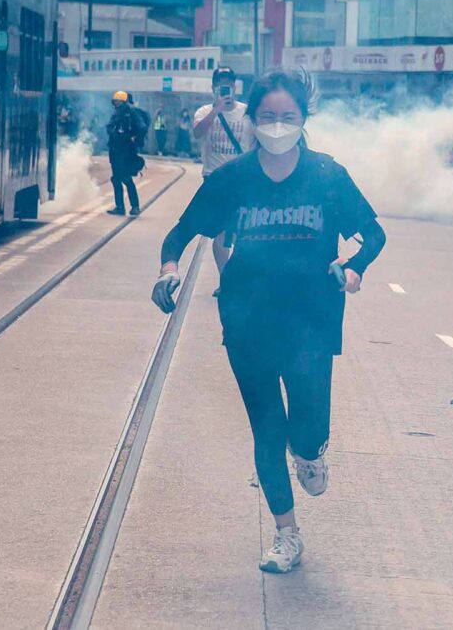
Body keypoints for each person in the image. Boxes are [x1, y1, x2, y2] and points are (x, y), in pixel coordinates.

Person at [151, 70, 386, 574]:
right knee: (265, 429)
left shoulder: (327, 176)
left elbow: (373, 234)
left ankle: (310, 452)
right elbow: (180, 234)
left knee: (305, 430)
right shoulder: (234, 178)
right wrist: (168, 273)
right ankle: (286, 534)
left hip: (312, 322)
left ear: (303, 120)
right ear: (252, 120)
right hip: (247, 320)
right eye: (268, 117)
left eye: (288, 117)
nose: (277, 126)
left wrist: (352, 267)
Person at [194, 67, 256, 291]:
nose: (225, 87)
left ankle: (239, 276)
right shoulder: (203, 111)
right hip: (214, 178)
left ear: (235, 86)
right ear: (213, 87)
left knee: (244, 231)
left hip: (243, 178)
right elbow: (197, 133)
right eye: (221, 84)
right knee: (220, 232)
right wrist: (216, 110)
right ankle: (226, 280)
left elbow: (259, 140)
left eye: (229, 84)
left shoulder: (248, 112)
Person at [105, 90, 143, 216]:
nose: (116, 104)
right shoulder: (118, 114)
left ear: (122, 101)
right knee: (117, 179)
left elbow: (141, 127)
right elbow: (110, 128)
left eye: (117, 101)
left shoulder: (130, 113)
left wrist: (133, 139)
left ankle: (133, 206)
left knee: (125, 179)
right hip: (117, 151)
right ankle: (122, 207)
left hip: (124, 152)